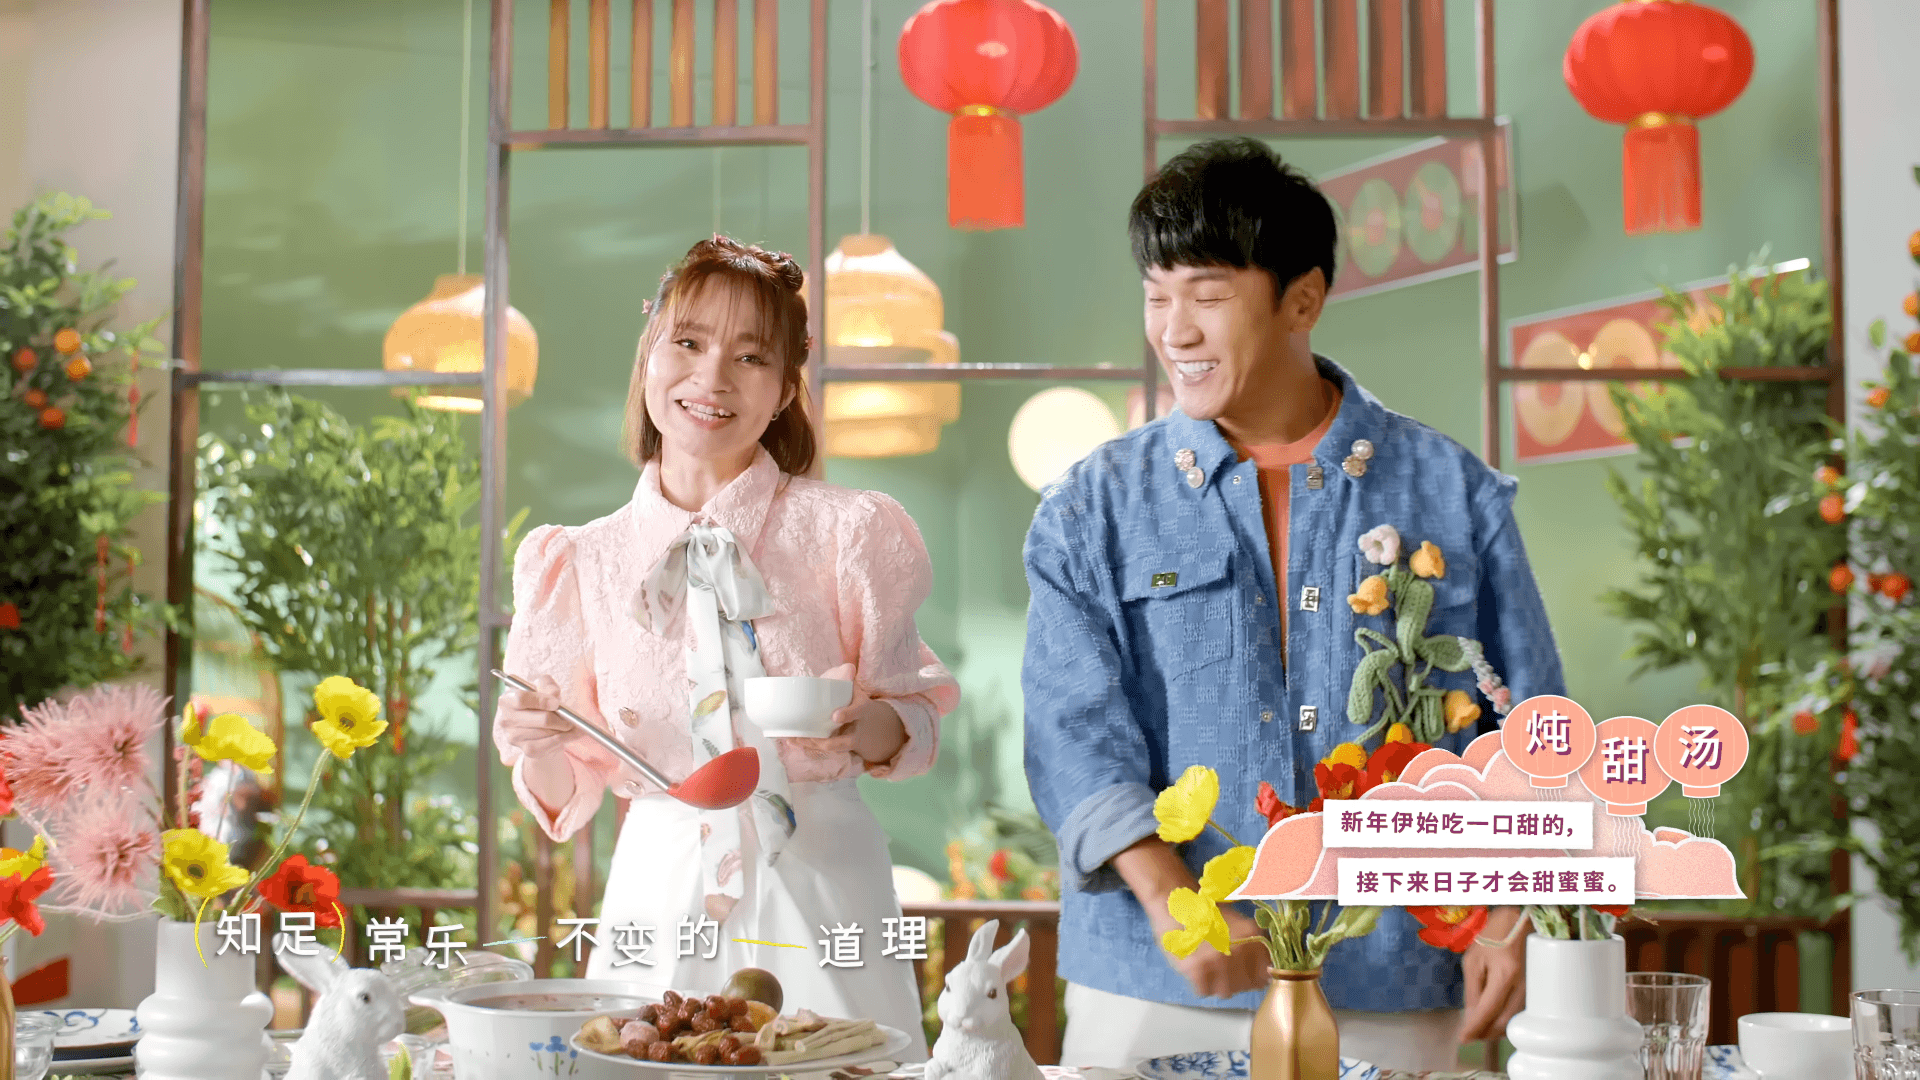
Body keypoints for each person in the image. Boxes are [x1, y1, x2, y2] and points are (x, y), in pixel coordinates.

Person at [1021, 139, 1566, 1070]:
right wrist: (1171, 900)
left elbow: (1531, 730)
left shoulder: (1453, 494)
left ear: (1301, 300)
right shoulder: (1089, 509)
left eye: (1207, 295)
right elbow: (1072, 734)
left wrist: (1509, 911)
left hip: (1392, 976)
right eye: (1156, 296)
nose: (1175, 330)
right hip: (1158, 979)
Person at [495, 236, 956, 1058]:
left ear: (783, 391)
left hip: (822, 875)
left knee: (843, 1068)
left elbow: (914, 716)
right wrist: (538, 743)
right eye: (688, 342)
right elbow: (568, 795)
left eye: (750, 356)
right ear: (649, 357)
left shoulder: (850, 532)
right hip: (659, 882)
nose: (713, 378)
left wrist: (869, 727)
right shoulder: (581, 561)